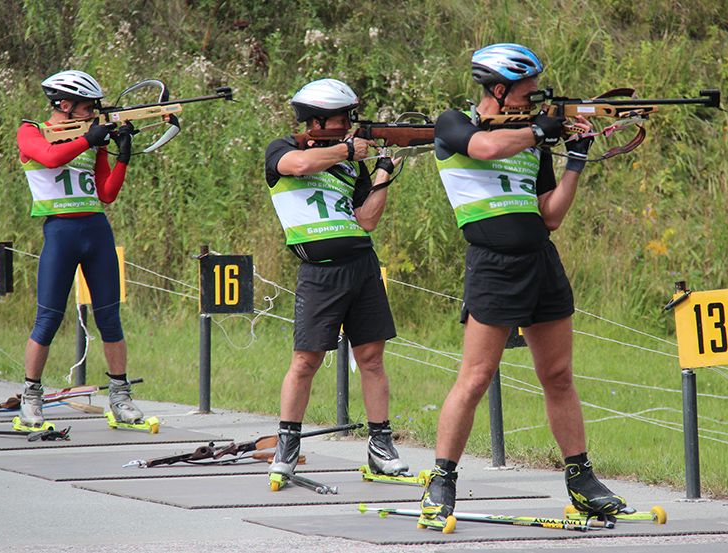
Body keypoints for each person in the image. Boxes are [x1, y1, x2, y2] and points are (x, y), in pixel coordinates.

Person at [420, 44, 628, 526]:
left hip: (541, 261)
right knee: (475, 377)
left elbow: (550, 215)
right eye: (528, 94)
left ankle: (581, 480)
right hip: (493, 266)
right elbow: (484, 148)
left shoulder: (532, 141)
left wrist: (575, 160)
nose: (535, 102)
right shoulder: (454, 123)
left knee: (558, 375)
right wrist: (539, 131)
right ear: (498, 90)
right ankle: (441, 480)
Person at [264, 78, 408, 482]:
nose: (348, 124)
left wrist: (381, 175)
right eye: (342, 118)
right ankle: (287, 446)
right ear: (316, 121)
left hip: (362, 264)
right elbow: (299, 166)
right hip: (320, 272)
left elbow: (367, 220)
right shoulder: (282, 149)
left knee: (372, 358)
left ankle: (381, 446)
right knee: (305, 361)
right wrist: (347, 149)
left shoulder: (351, 165)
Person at [17, 70, 143, 429]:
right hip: (60, 231)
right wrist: (89, 140)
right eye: (87, 106)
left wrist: (122, 156)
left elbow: (106, 193)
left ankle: (120, 397)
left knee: (110, 317)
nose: (93, 112)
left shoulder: (92, 135)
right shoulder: (31, 131)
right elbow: (49, 158)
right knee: (48, 319)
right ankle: (31, 397)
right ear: (64, 104)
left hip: (96, 230)